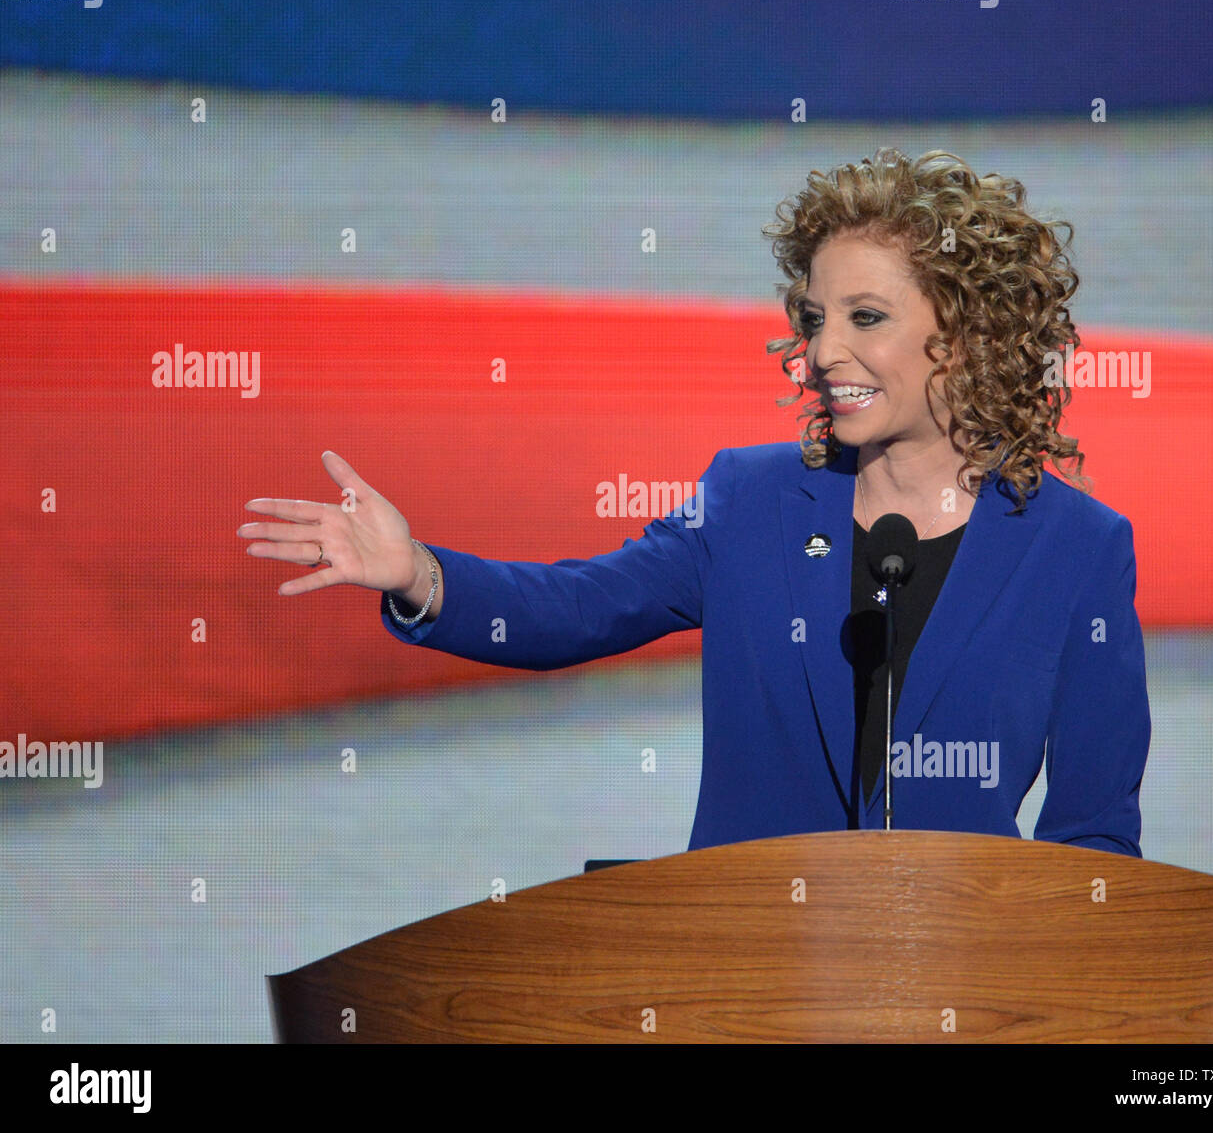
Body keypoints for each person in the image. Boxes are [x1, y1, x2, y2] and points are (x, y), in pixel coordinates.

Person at [238, 149, 1151, 857]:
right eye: (813, 318)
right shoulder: (750, 501)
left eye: (864, 317)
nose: (823, 351)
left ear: (967, 332)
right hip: (737, 980)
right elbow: (577, 607)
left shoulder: (1079, 549)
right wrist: (420, 575)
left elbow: (1096, 839)